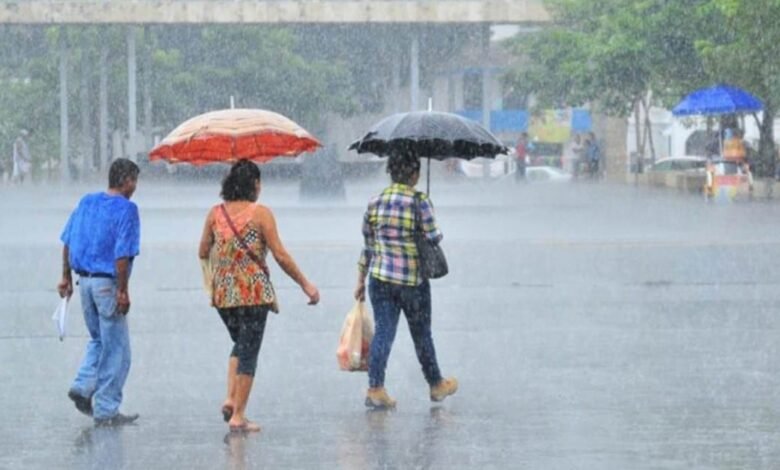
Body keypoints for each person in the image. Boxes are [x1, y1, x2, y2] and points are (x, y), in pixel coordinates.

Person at [198, 160, 320, 433]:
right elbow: (280, 255)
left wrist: (227, 258)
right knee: (249, 351)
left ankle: (230, 398)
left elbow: (203, 250)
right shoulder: (260, 214)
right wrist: (305, 284)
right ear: (254, 184)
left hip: (223, 295)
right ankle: (238, 416)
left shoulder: (215, 213)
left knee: (241, 344)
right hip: (253, 293)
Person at [354, 152, 457, 409]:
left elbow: (369, 244)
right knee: (421, 334)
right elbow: (433, 237)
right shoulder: (419, 201)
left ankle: (375, 388)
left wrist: (360, 279)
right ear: (415, 174)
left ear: (391, 172)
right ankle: (436, 384)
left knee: (384, 332)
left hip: (380, 279)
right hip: (413, 280)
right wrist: (425, 215)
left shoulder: (375, 201)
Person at [57, 158, 141, 427]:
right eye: (134, 181)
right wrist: (123, 291)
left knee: (99, 340)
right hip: (107, 284)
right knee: (117, 351)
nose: (135, 187)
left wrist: (65, 277)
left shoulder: (87, 202)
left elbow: (68, 241)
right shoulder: (127, 209)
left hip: (85, 283)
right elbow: (122, 254)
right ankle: (106, 409)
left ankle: (83, 386)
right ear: (125, 180)